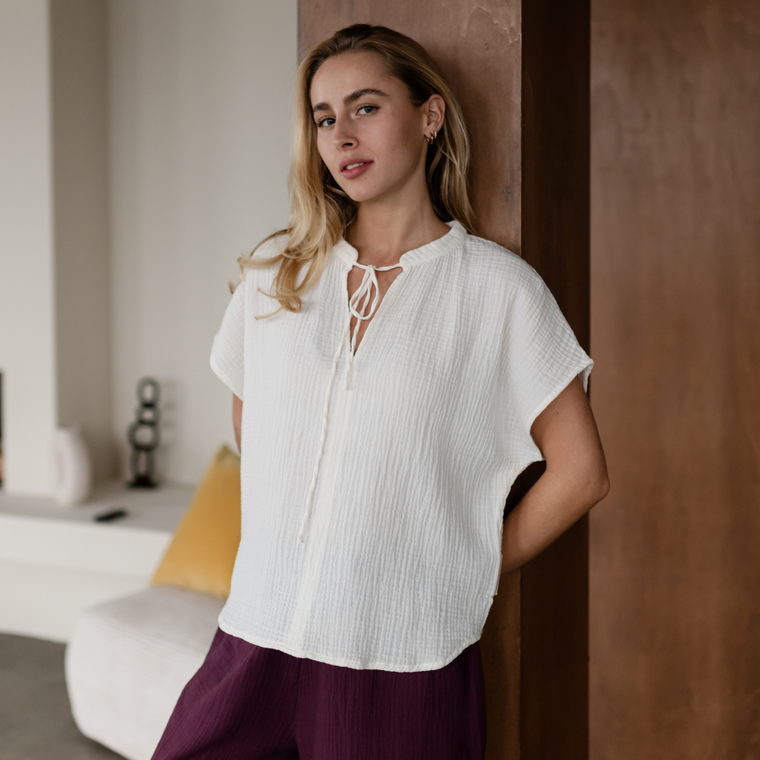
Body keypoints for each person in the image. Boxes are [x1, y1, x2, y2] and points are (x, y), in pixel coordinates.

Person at [152, 22, 609, 760]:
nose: (341, 135)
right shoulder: (278, 277)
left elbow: (581, 473)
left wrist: (465, 566)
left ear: (430, 117)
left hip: (400, 664)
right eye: (323, 117)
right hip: (255, 640)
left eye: (365, 107)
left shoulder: (497, 291)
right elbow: (259, 438)